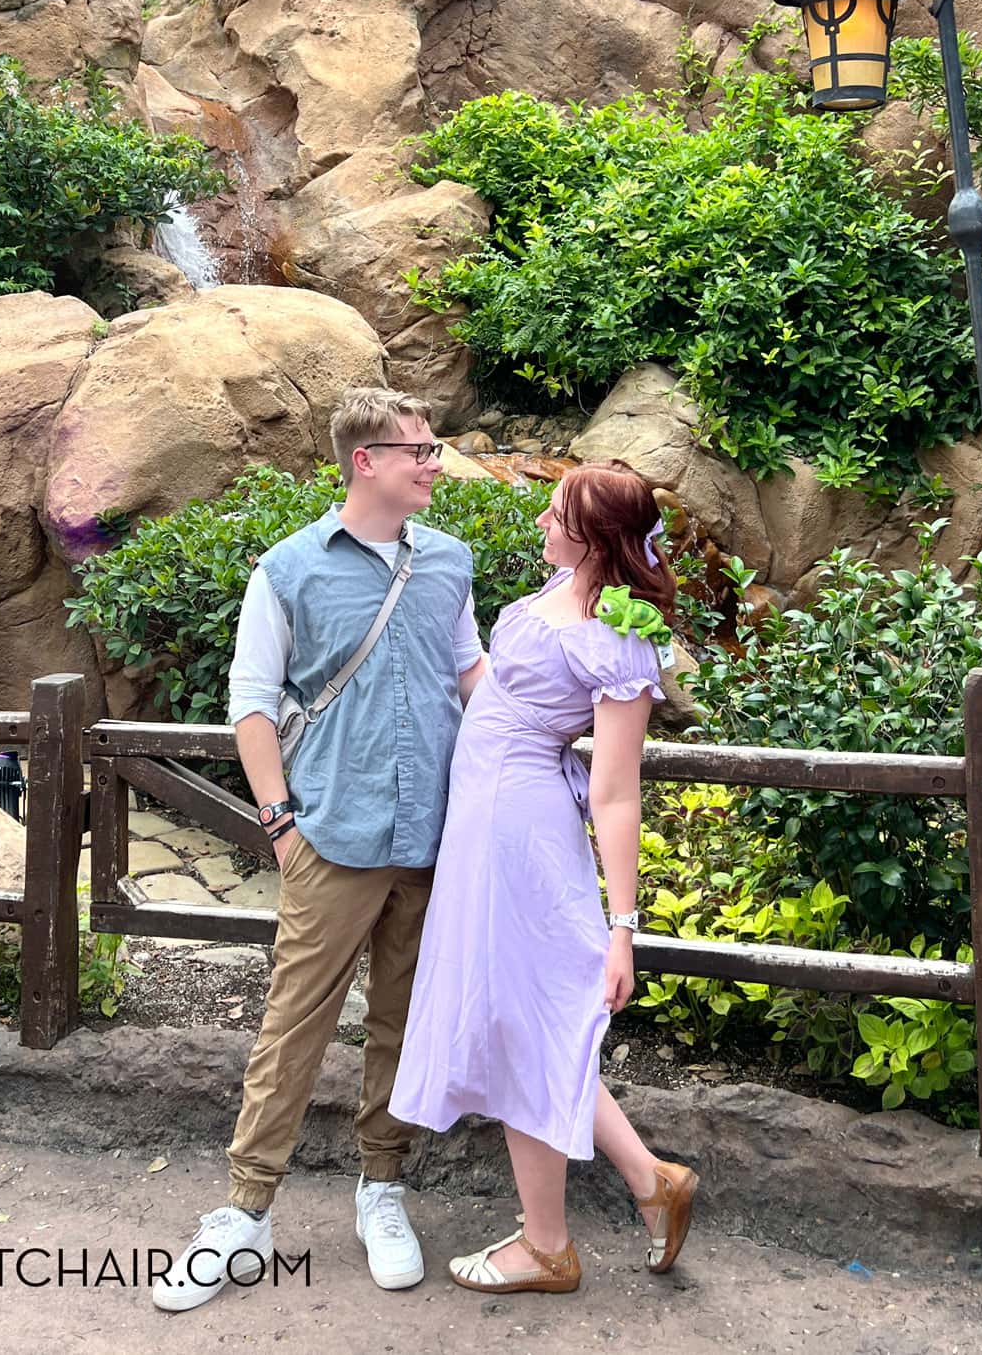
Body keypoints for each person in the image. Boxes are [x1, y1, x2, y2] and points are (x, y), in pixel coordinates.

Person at [152, 387, 487, 1313]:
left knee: (402, 1020)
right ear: (363, 460)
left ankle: (384, 1187)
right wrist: (281, 824)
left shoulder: (449, 563)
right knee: (294, 1022)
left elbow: (475, 677)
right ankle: (245, 1209)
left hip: (433, 834)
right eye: (416, 447)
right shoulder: (290, 568)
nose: (433, 460)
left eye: (434, 445)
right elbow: (251, 701)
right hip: (332, 837)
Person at [389, 459, 698, 1295]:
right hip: (482, 823)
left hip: (517, 833)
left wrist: (622, 926)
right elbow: (497, 686)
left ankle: (552, 1243)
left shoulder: (615, 639)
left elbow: (617, 790)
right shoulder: (556, 599)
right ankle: (644, 1183)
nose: (539, 524)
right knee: (524, 1022)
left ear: (593, 536)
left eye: (555, 513)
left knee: (532, 1022)